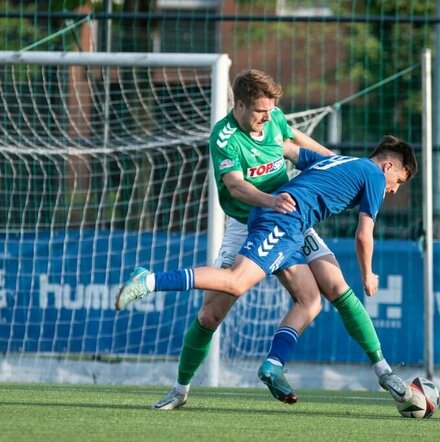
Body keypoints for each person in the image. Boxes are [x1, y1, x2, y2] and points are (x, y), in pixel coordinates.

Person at [138, 69, 410, 410]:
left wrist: (340, 163)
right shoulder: (224, 138)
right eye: (261, 112)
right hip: (257, 218)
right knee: (213, 312)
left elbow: (297, 146)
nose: (268, 118)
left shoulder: (275, 122)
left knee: (323, 294)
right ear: (240, 105)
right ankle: (179, 388)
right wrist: (273, 200)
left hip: (293, 215)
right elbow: (236, 186)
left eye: (271, 112)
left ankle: (363, 369)